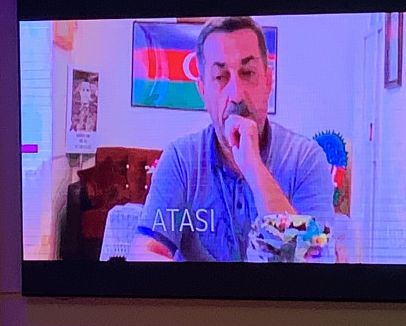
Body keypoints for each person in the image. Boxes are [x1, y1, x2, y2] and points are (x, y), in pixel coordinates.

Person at [128, 16, 335, 262]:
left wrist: (254, 167)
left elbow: (315, 260)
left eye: (248, 73)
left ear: (268, 82)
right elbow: (144, 252)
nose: (236, 95)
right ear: (203, 91)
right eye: (220, 77)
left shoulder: (306, 159)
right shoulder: (180, 160)